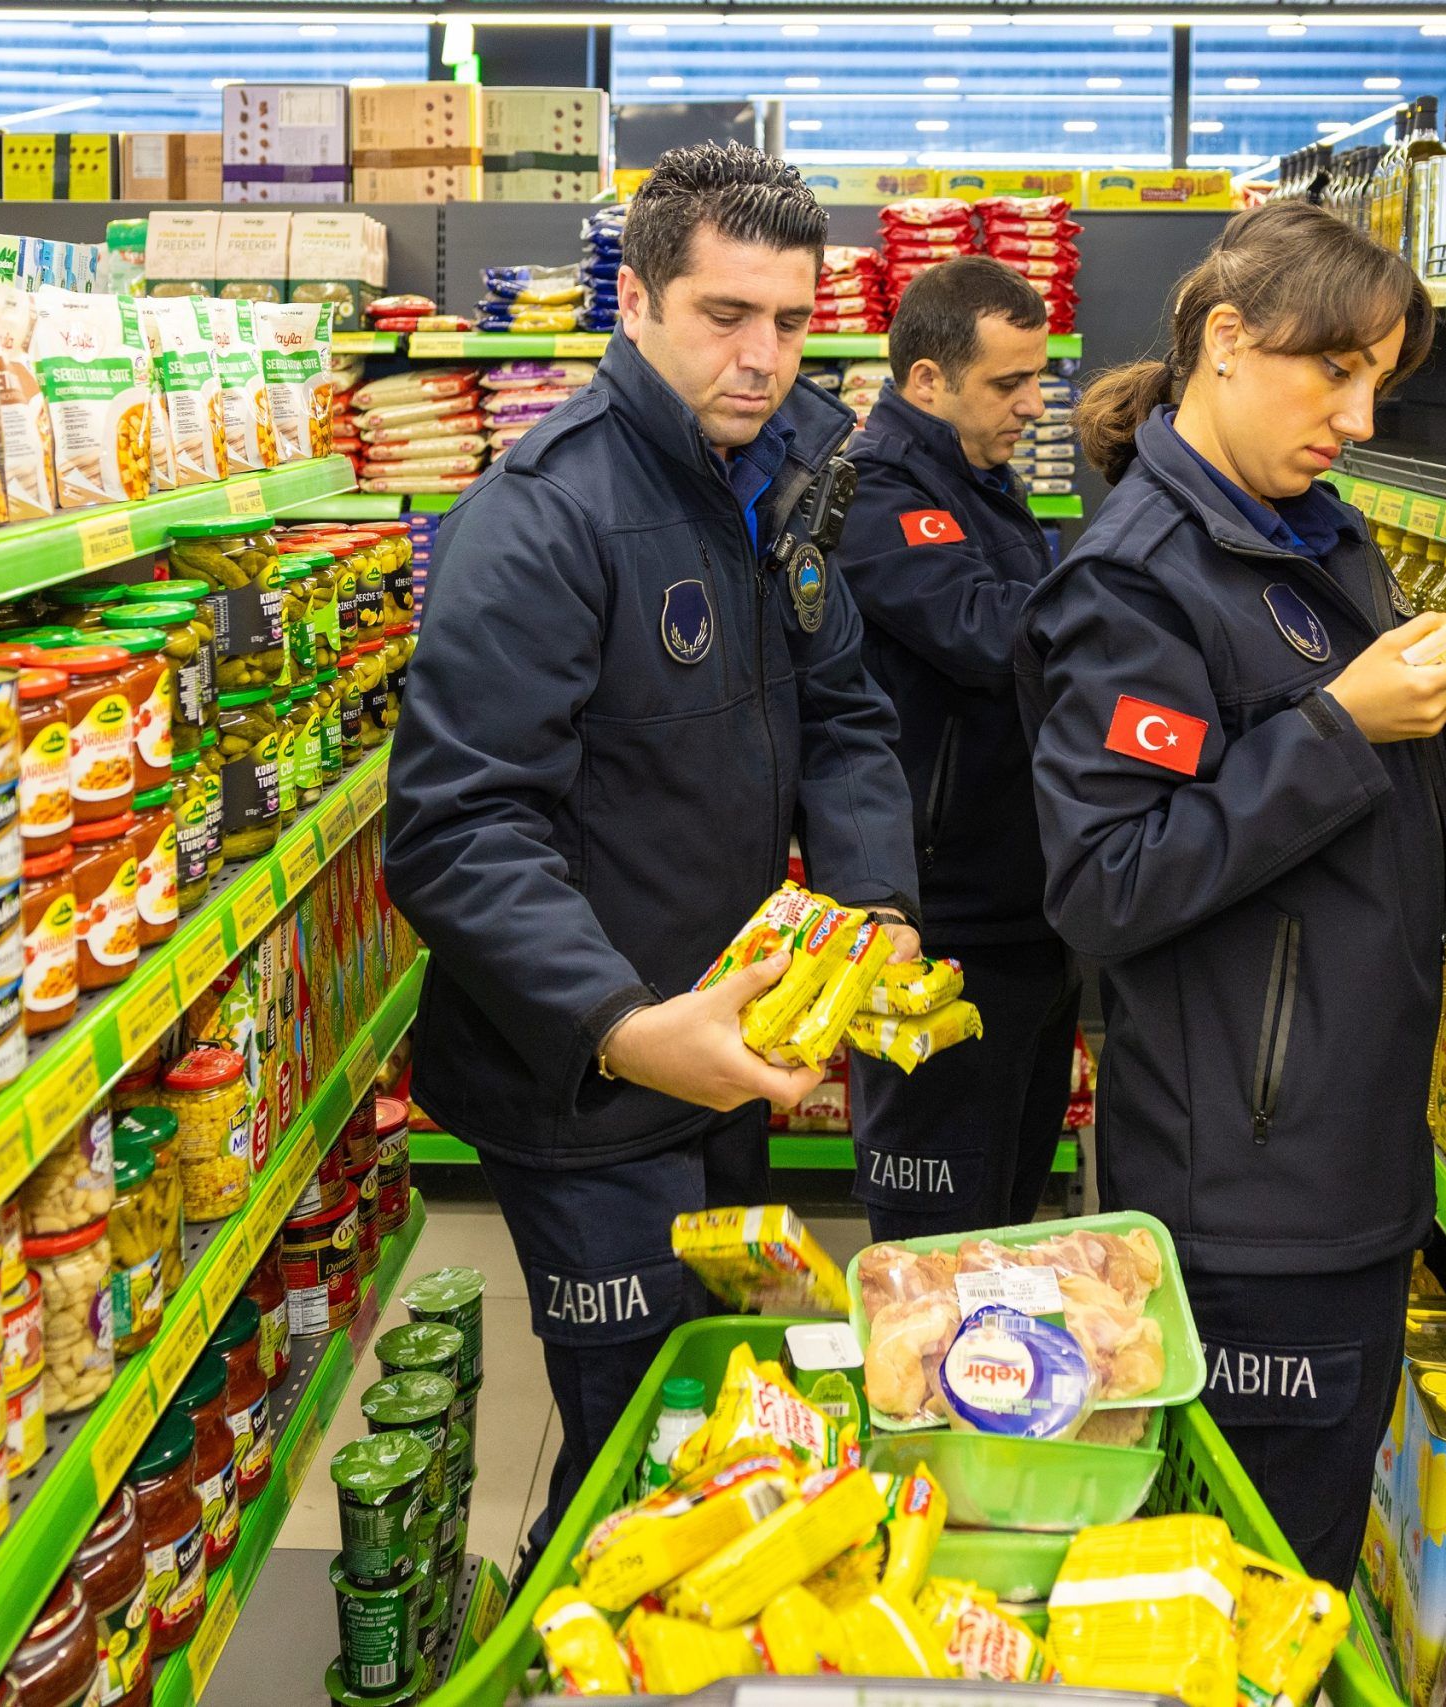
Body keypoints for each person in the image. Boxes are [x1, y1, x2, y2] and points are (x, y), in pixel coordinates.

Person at [1015, 199, 1446, 1589]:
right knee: (1262, 1583)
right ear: (1228, 341)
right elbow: (1109, 879)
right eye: (1332, 371)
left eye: (1378, 382)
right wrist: (1340, 721)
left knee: (1302, 1553)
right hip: (1247, 1186)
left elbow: (1372, 797)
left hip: (1346, 1146)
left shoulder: (1310, 529)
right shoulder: (1133, 586)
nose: (1357, 413)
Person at [384, 142, 921, 1562]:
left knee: (718, 1423)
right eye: (723, 316)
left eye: (791, 322)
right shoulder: (545, 514)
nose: (761, 357)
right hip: (583, 1071)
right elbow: (456, 828)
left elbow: (848, 707)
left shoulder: (792, 470)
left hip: (725, 1043)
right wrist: (623, 1023)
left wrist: (876, 903)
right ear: (635, 301)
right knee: (628, 1438)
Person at [836, 257, 1080, 1240]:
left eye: (1038, 377)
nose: (1034, 403)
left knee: (1008, 1209)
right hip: (942, 929)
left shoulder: (980, 478)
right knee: (934, 1230)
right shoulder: (879, 494)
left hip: (1025, 912)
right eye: (1009, 383)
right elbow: (994, 636)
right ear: (926, 381)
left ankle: (989, 1388)